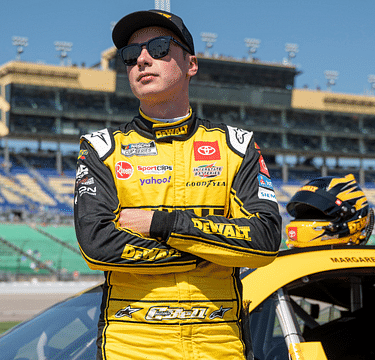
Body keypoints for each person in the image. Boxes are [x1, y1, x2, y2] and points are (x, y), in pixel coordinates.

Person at [74, 9, 282, 360]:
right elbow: (97, 245)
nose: (141, 59)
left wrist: (161, 224)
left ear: (191, 64)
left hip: (221, 348)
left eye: (158, 48)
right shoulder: (100, 148)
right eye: (130, 55)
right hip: (132, 349)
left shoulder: (237, 146)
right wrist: (206, 252)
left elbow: (263, 242)